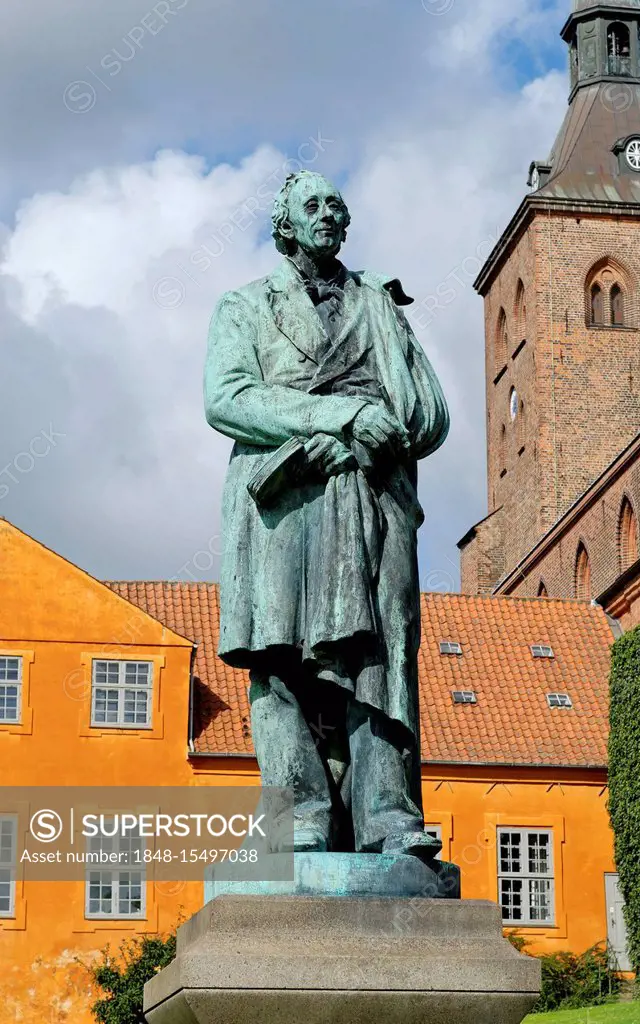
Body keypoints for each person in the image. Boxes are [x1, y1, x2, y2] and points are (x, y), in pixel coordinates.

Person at [204, 170, 450, 859]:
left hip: (372, 497)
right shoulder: (244, 306)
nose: (328, 214)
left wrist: (387, 425)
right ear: (283, 225)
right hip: (283, 504)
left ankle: (386, 813)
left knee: (380, 655)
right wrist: (338, 413)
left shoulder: (380, 306)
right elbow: (226, 399)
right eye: (311, 205)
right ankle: (299, 815)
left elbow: (431, 411)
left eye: (336, 205)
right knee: (278, 660)